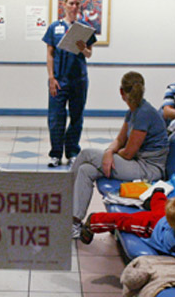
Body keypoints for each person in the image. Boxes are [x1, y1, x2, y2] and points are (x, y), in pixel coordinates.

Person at [70, 71, 169, 239]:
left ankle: (61, 196)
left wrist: (110, 154)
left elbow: (129, 153)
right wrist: (109, 152)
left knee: (86, 154)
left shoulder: (144, 113)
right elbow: (120, 140)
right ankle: (74, 223)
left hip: (148, 169)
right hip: (137, 163)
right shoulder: (133, 111)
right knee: (86, 170)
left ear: (121, 92)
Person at [43, 0, 97, 168]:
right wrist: (51, 78)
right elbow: (50, 54)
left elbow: (89, 54)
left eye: (77, 4)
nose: (74, 7)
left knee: (76, 117)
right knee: (56, 118)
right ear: (64, 5)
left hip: (78, 81)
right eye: (71, 3)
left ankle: (72, 151)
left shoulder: (84, 28)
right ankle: (56, 154)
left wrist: (83, 48)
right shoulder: (54, 27)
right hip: (59, 80)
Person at [79, 189, 167, 245]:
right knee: (126, 221)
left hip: (170, 219)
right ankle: (94, 222)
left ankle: (158, 194)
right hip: (158, 225)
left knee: (162, 208)